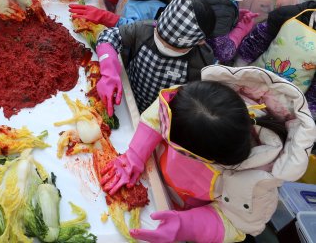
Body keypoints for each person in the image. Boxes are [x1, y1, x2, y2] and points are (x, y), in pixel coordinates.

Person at [102, 65, 316, 242]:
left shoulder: (258, 183)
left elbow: (236, 223)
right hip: (154, 184)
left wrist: (186, 225)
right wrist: (134, 156)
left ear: (208, 158)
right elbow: (160, 114)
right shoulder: (200, 102)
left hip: (182, 214)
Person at [94, 0, 215, 114]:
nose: (162, 45)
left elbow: (195, 102)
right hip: (126, 96)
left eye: (170, 47)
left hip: (157, 116)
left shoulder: (201, 62)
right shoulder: (145, 29)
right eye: (158, 36)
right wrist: (109, 69)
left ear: (200, 42)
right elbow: (110, 36)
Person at [237, 1, 316, 114]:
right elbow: (256, 43)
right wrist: (237, 71)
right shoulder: (290, 14)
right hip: (253, 79)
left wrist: (306, 114)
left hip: (287, 101)